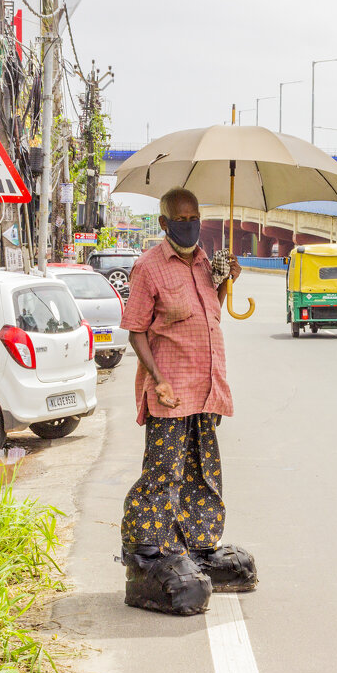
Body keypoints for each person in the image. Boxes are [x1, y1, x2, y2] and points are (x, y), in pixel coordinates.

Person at [117, 187, 258, 616]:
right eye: (181, 218)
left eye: (195, 216)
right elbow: (136, 330)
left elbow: (209, 315)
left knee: (201, 471)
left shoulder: (203, 263)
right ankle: (148, 552)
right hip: (170, 390)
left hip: (205, 390)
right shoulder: (149, 267)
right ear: (164, 223)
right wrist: (156, 379)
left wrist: (226, 282)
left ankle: (196, 546)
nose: (190, 224)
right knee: (163, 473)